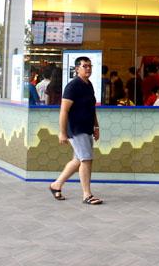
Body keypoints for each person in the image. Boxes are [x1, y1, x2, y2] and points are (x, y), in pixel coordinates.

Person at [49, 56, 103, 205]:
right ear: (77, 68)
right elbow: (64, 110)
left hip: (86, 128)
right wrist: (62, 132)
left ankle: (56, 185)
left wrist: (96, 126)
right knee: (86, 160)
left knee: (78, 160)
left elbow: (92, 108)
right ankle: (87, 195)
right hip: (76, 129)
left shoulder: (89, 85)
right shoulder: (72, 86)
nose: (88, 69)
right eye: (85, 66)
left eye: (90, 66)